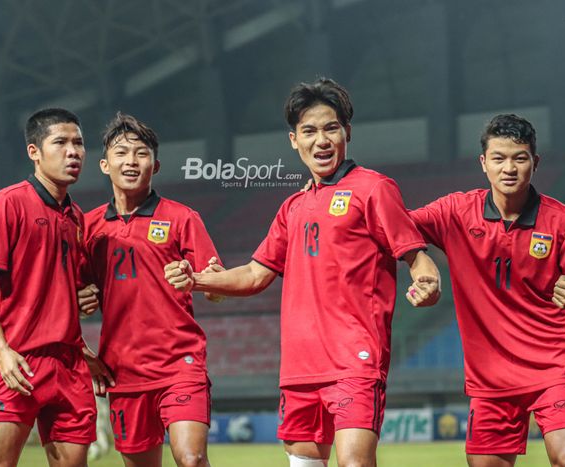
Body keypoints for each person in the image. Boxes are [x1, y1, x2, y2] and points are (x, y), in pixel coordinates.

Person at [164, 77, 441, 467]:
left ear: (347, 132)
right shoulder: (292, 207)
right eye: (309, 131)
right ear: (294, 140)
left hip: (354, 360)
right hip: (299, 366)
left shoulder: (374, 189)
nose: (321, 140)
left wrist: (427, 281)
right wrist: (196, 279)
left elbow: (416, 256)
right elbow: (253, 276)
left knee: (354, 463)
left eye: (331, 128)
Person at [410, 114, 565, 467]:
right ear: (484, 163)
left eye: (520, 157)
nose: (509, 168)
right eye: (499, 158)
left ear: (535, 161)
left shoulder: (564, 220)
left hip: (555, 363)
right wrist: (324, 188)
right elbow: (392, 224)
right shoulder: (455, 211)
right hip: (490, 375)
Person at [77, 112, 223, 467]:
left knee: (191, 458)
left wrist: (204, 278)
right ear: (104, 164)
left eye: (141, 153)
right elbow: (71, 295)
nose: (131, 161)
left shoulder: (182, 218)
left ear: (155, 165)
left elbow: (216, 285)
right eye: (122, 153)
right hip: (123, 371)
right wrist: (80, 301)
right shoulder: (87, 227)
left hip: (180, 363)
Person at [0, 108, 97, 465]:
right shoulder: (8, 203)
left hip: (69, 366)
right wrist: (2, 351)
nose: (73, 152)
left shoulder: (77, 217)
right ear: (34, 152)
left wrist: (81, 301)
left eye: (78, 143)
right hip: (19, 359)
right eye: (60, 142)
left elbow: (64, 288)